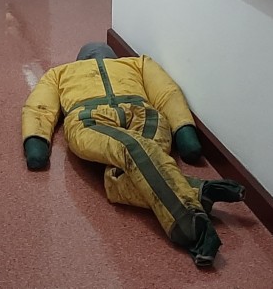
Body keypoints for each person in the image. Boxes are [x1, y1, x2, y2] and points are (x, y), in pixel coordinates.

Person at [21, 43, 246, 267]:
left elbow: (166, 92)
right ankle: (191, 215)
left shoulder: (138, 64)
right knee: (131, 147)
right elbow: (40, 106)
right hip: (88, 119)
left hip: (142, 113)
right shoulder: (60, 73)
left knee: (120, 174)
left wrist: (182, 127)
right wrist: (36, 138)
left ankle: (197, 205)